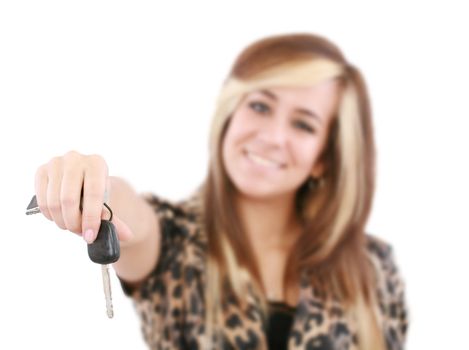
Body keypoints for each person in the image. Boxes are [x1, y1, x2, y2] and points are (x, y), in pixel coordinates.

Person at [33, 33, 408, 350]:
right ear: (230, 115)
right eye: (260, 106)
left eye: (304, 125)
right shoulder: (178, 240)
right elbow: (135, 219)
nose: (273, 137)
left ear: (323, 158)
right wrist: (95, 187)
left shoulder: (373, 267)